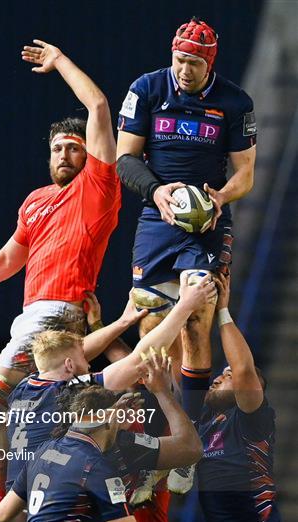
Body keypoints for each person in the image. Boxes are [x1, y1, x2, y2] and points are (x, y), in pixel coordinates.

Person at [0, 39, 120, 503]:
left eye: (74, 148)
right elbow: (8, 260)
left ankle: (1, 510)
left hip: (56, 318)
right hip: (31, 318)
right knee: (35, 419)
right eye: (57, 149)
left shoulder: (98, 187)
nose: (64, 156)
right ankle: (41, 501)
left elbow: (97, 105)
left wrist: (59, 62)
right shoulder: (34, 201)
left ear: (88, 155)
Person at [116, 16, 257, 492]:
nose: (183, 69)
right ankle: (151, 439)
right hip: (158, 220)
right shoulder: (147, 88)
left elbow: (245, 176)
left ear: (208, 63)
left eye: (193, 63)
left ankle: (187, 446)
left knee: (197, 320)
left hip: (207, 226)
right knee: (151, 325)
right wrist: (157, 193)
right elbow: (126, 158)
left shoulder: (235, 103)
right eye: (178, 59)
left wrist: (218, 198)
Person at [0, 275, 212, 522]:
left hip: (19, 509)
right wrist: (185, 306)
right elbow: (139, 361)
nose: (90, 363)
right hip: (52, 505)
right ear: (70, 367)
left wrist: (121, 323)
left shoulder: (24, 388)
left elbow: (60, 357)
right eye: (84, 359)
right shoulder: (67, 396)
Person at [0, 351, 203, 522]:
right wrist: (162, 392)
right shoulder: (98, 468)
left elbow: (2, 515)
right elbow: (190, 449)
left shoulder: (44, 451)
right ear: (106, 420)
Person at [182, 273, 282, 522]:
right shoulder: (204, 419)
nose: (218, 378)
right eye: (222, 373)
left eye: (227, 376)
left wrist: (223, 310)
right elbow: (179, 364)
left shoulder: (254, 420)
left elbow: (243, 371)